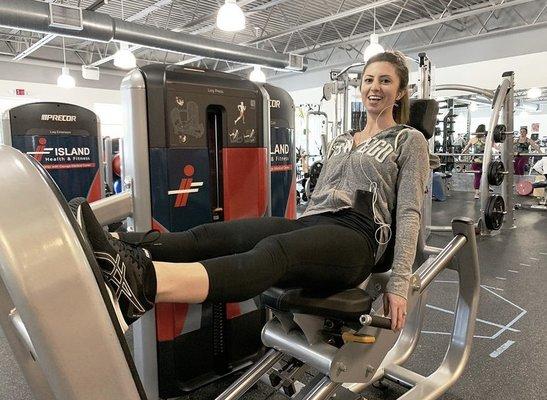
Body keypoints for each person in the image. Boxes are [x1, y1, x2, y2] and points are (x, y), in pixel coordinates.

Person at [75, 51, 430, 333]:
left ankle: (143, 285)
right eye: (369, 80)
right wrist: (299, 229)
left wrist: (399, 283)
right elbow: (319, 197)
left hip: (359, 238)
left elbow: (411, 211)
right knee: (218, 233)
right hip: (315, 224)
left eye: (385, 81)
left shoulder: (408, 140)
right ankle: (117, 244)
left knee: (275, 250)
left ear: (400, 92)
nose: (375, 87)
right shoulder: (341, 141)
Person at [461, 124, 486, 199]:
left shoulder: (482, 139)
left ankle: (478, 192)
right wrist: (461, 154)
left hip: (481, 161)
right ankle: (477, 192)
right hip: (479, 161)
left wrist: (462, 153)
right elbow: (466, 147)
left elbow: (466, 147)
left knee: (481, 176)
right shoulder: (485, 139)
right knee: (480, 176)